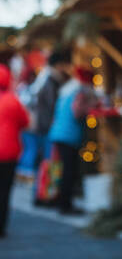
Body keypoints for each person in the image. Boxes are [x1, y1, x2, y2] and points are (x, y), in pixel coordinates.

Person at [49, 66, 98, 214]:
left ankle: (60, 201)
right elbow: (77, 112)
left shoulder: (67, 90)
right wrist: (90, 109)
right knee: (69, 171)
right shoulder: (79, 92)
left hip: (59, 133)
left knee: (64, 169)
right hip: (68, 135)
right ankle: (65, 205)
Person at [30, 51, 70, 205]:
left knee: (43, 162)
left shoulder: (44, 78)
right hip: (48, 128)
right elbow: (53, 106)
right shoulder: (51, 80)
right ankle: (46, 195)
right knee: (49, 162)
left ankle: (41, 194)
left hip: (41, 126)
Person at [0, 65, 30, 238]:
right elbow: (25, 122)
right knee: (4, 191)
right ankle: (1, 226)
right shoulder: (13, 100)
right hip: (9, 153)